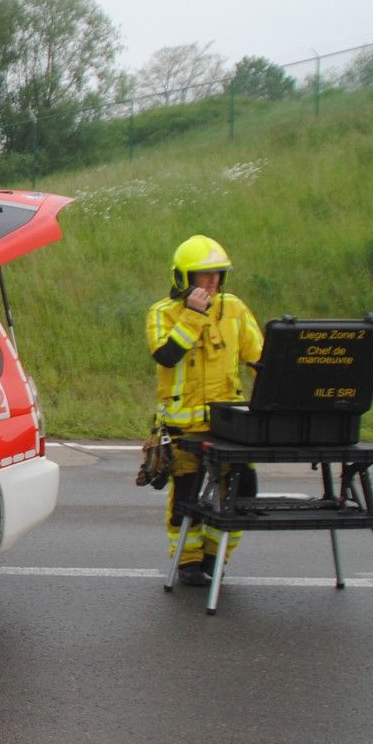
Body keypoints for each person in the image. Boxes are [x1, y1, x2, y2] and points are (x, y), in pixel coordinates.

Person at [146, 235, 263, 586]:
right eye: (203, 275)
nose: (211, 282)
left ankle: (218, 555)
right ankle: (189, 562)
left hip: (230, 424)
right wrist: (194, 316)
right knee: (186, 496)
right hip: (184, 429)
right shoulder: (162, 314)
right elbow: (166, 355)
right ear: (183, 278)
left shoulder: (235, 310)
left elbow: (259, 357)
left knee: (244, 490)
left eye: (217, 274)